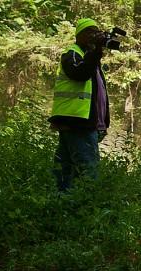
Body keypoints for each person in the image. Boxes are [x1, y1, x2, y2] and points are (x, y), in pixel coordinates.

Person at [49, 18, 110, 191]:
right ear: (80, 35)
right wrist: (97, 50)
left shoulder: (91, 59)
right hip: (77, 122)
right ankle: (87, 209)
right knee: (88, 171)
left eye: (97, 32)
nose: (94, 36)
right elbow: (79, 73)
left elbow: (98, 95)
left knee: (64, 170)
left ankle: (61, 206)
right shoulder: (72, 54)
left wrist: (102, 123)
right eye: (91, 32)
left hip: (81, 122)